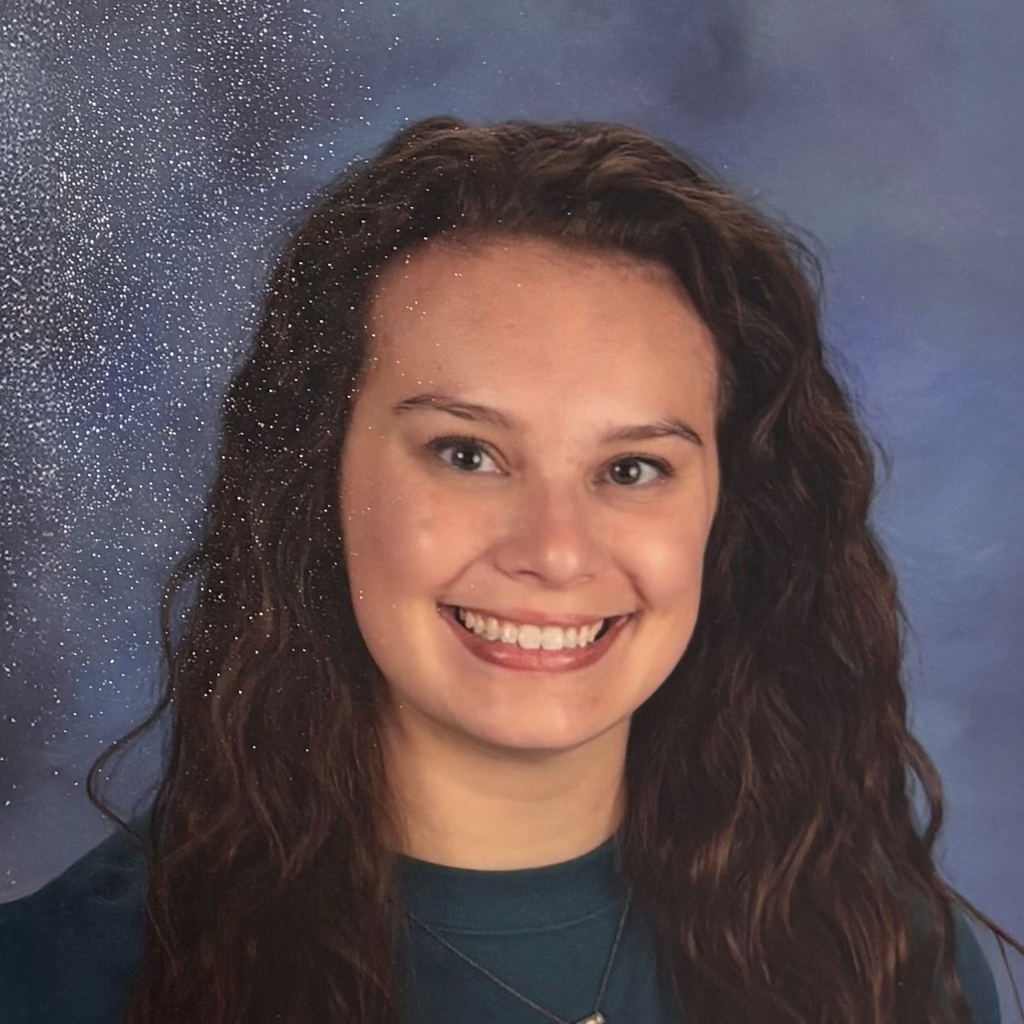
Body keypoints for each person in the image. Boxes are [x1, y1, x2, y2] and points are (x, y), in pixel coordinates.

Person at [0, 115, 1018, 1024]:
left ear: (727, 509)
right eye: (467, 453)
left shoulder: (889, 962)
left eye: (632, 467)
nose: (555, 550)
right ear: (317, 471)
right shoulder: (60, 981)